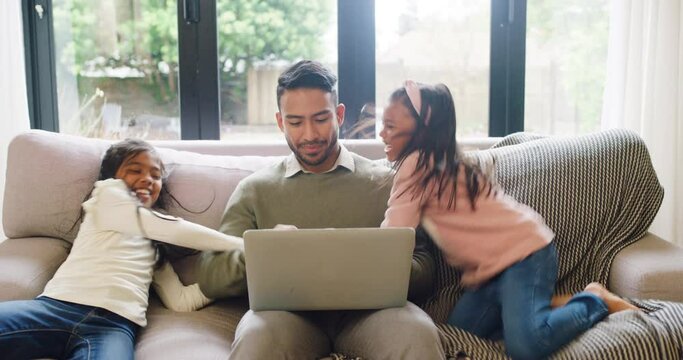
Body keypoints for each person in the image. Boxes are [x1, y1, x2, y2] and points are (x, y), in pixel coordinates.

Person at [196, 60, 444, 359]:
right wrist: (263, 252)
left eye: (321, 119)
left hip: (373, 315)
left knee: (416, 334)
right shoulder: (255, 189)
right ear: (280, 122)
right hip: (285, 318)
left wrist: (379, 264)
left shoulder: (387, 183)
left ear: (339, 115)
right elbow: (211, 275)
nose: (310, 134)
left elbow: (426, 266)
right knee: (255, 339)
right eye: (296, 122)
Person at [379, 81, 639, 360]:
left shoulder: (417, 164)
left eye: (391, 127)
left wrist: (368, 268)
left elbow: (396, 233)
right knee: (457, 335)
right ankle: (541, 309)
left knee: (528, 347)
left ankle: (594, 300)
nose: (381, 134)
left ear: (423, 129)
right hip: (488, 274)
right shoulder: (440, 162)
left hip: (524, 255)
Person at [0, 139, 243, 359]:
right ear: (111, 177)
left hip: (112, 327)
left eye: (156, 175)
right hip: (56, 308)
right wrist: (242, 245)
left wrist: (227, 280)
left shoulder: (155, 248)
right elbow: (175, 230)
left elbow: (180, 301)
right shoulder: (107, 195)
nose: (148, 178)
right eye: (135, 171)